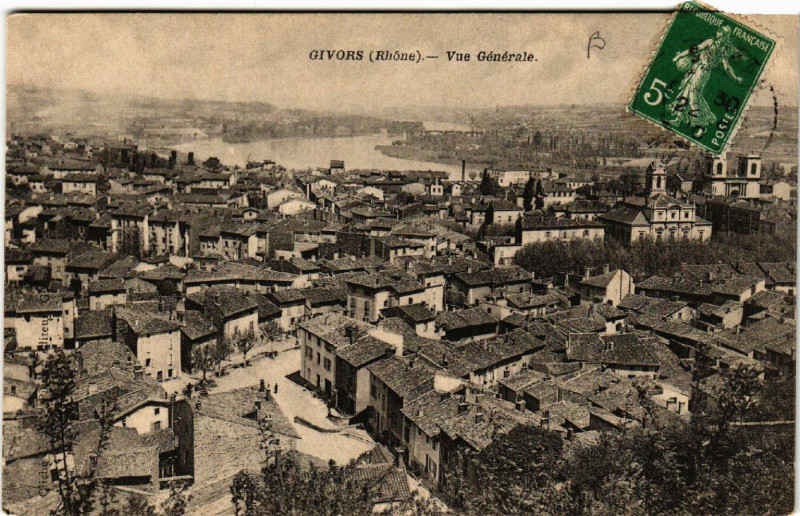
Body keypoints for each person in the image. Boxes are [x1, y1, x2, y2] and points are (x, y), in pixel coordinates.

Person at [667, 25, 743, 128]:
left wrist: (679, 56)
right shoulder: (721, 47)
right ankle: (678, 119)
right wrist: (735, 78)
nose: (717, 32)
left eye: (719, 31)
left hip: (702, 71)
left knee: (693, 92)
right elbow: (726, 66)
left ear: (723, 34)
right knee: (686, 91)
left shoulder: (713, 43)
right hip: (700, 70)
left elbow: (695, 49)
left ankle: (695, 120)